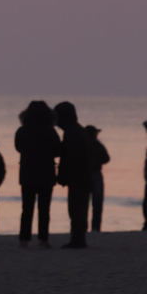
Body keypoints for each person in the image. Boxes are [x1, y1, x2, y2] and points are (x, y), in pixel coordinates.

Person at [15, 100, 60, 248]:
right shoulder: (50, 131)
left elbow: (18, 148)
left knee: (27, 208)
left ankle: (24, 239)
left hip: (27, 172)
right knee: (44, 208)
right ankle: (43, 239)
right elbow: (57, 151)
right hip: (46, 172)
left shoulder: (22, 130)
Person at [54, 102, 92, 249]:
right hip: (81, 176)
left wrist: (64, 175)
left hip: (78, 177)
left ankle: (78, 240)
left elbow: (71, 157)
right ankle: (78, 238)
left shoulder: (72, 132)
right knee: (78, 208)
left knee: (76, 209)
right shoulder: (76, 130)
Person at [84, 125, 110, 233]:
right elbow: (106, 158)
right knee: (97, 203)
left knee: (83, 203)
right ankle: (95, 228)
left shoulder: (82, 145)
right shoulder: (97, 144)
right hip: (95, 174)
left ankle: (82, 227)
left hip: (84, 174)